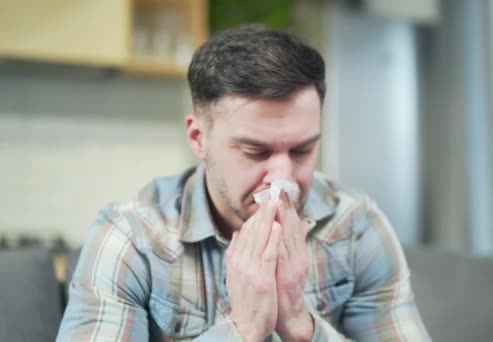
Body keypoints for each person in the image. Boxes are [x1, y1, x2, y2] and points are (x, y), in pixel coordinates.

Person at [57, 25, 430, 341]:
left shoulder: (357, 228)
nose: (282, 179)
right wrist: (243, 328)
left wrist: (301, 326)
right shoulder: (132, 238)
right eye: (255, 151)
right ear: (198, 138)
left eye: (302, 149)